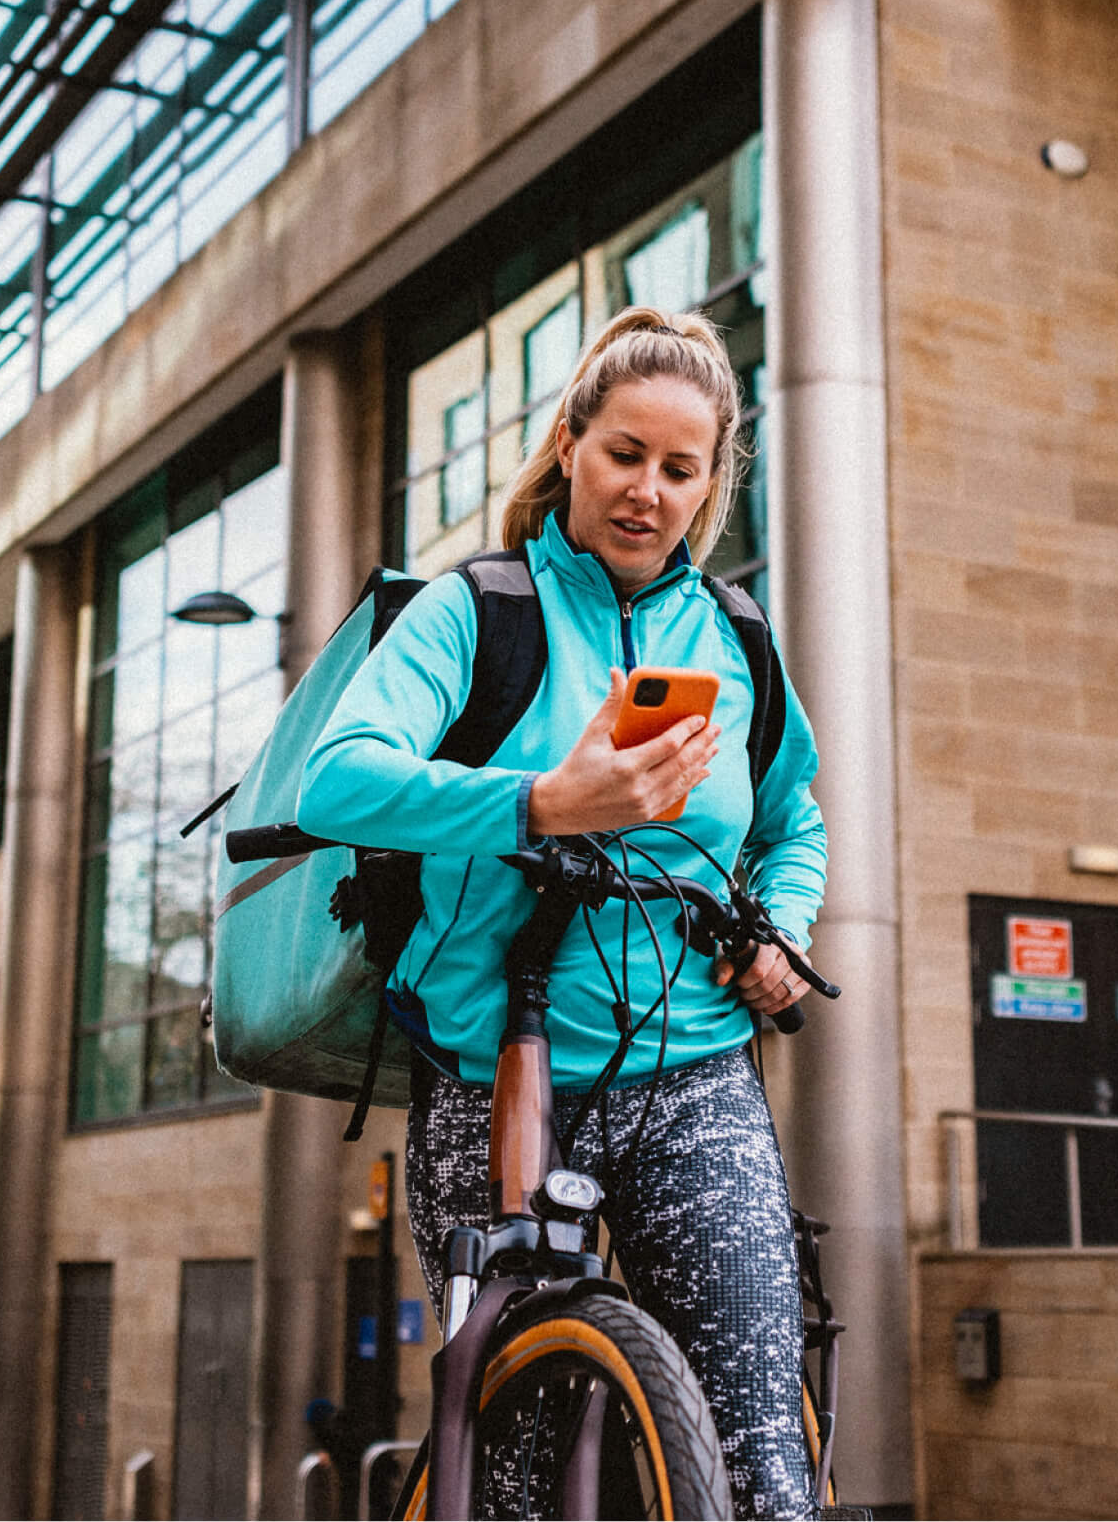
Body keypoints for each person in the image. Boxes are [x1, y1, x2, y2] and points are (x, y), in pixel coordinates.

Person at [300, 306, 830, 1519]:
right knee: (519, 1469)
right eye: (623, 454)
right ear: (571, 449)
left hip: (698, 1069)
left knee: (765, 1455)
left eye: (679, 469)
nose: (646, 490)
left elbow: (793, 820)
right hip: (500, 1074)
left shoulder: (737, 635)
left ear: (712, 485)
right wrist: (542, 801)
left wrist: (784, 930)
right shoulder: (475, 612)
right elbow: (340, 775)